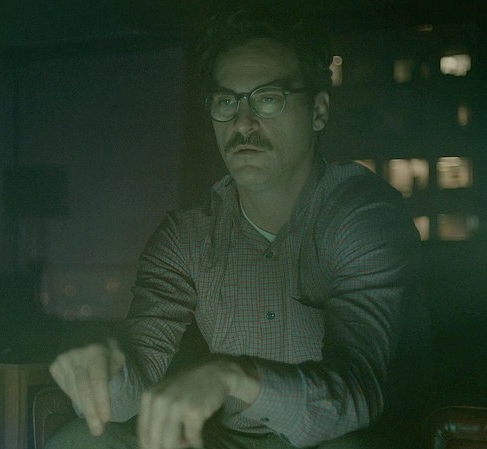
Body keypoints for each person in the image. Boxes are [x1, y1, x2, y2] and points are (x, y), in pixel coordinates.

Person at [46, 3, 419, 449]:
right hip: (227, 443)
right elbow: (132, 383)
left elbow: (357, 391)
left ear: (319, 111)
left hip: (340, 440)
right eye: (226, 102)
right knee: (82, 440)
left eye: (268, 98)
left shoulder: (361, 215)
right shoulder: (187, 236)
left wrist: (233, 376)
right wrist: (96, 362)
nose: (243, 123)